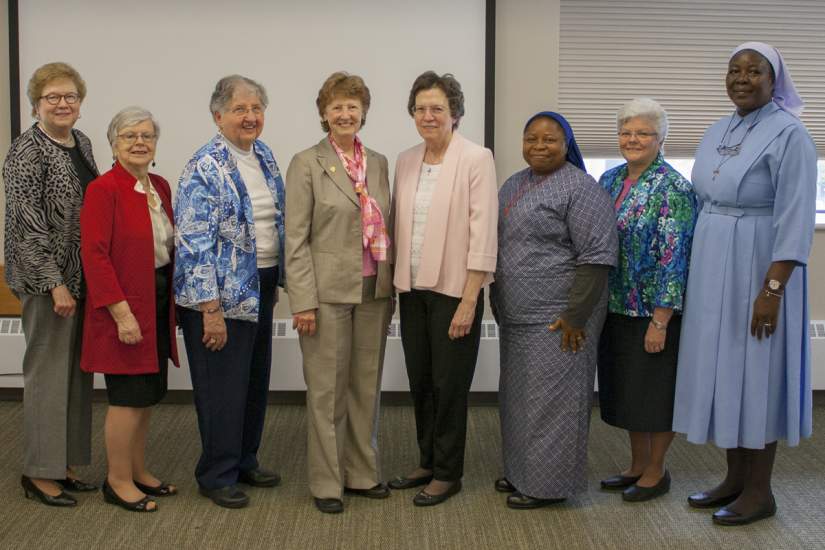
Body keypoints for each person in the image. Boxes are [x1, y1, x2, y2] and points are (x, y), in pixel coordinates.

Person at [673, 42, 816, 526]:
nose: (742, 78)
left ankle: (760, 491)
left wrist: (772, 290)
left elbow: (795, 218)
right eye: (735, 70)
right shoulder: (719, 127)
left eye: (754, 71)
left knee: (759, 372)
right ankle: (733, 479)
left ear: (775, 81)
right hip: (714, 260)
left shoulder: (791, 135)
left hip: (759, 265)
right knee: (724, 370)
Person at [491, 111, 617, 509]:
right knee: (519, 399)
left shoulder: (581, 189)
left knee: (554, 402)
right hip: (518, 316)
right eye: (531, 138)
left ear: (567, 144)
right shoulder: (513, 184)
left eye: (550, 140)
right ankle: (521, 472)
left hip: (562, 317)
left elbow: (596, 258)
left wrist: (577, 315)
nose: (539, 146)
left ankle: (548, 486)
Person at [174, 75, 286, 509]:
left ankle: (244, 459)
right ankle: (215, 473)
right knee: (222, 387)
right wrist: (210, 308)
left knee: (254, 380)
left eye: (256, 108)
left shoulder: (263, 155)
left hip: (260, 284)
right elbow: (193, 240)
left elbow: (274, 218)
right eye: (240, 109)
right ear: (218, 115)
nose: (250, 116)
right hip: (218, 294)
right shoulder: (204, 166)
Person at [285, 72, 394, 514]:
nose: (345, 114)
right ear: (324, 114)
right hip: (326, 295)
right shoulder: (306, 162)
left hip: (374, 291)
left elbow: (390, 226)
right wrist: (303, 302)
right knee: (327, 392)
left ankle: (362, 473)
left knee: (365, 388)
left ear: (363, 112)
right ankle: (328, 483)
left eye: (352, 106)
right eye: (337, 108)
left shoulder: (380, 163)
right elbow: (295, 240)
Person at [389, 71, 498, 506]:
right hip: (412, 290)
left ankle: (449, 473)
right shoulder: (406, 159)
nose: (428, 116)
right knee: (422, 380)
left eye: (438, 108)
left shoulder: (476, 158)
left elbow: (483, 231)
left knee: (450, 386)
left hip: (457, 291)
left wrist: (470, 300)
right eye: (420, 108)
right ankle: (428, 460)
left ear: (455, 113)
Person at [3, 62, 98, 507]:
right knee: (46, 376)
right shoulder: (26, 152)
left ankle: (66, 464)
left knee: (78, 377)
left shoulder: (82, 142)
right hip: (47, 284)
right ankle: (39, 473)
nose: (63, 104)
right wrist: (55, 284)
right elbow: (27, 227)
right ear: (36, 105)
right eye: (52, 98)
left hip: (82, 279)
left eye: (70, 97)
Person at [596, 98, 698, 502]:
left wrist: (661, 320)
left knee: (655, 394)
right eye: (626, 132)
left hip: (652, 311)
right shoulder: (609, 180)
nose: (632, 139)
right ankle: (636, 465)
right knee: (627, 392)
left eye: (642, 133)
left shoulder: (674, 188)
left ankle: (657, 470)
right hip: (614, 305)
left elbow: (676, 258)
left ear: (661, 139)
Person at [80, 107, 178, 512]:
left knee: (146, 395)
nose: (139, 142)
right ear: (114, 144)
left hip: (155, 301)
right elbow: (95, 256)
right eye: (129, 136)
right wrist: (121, 314)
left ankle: (138, 470)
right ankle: (116, 480)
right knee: (125, 397)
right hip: (123, 306)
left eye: (147, 136)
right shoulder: (104, 190)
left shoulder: (159, 185)